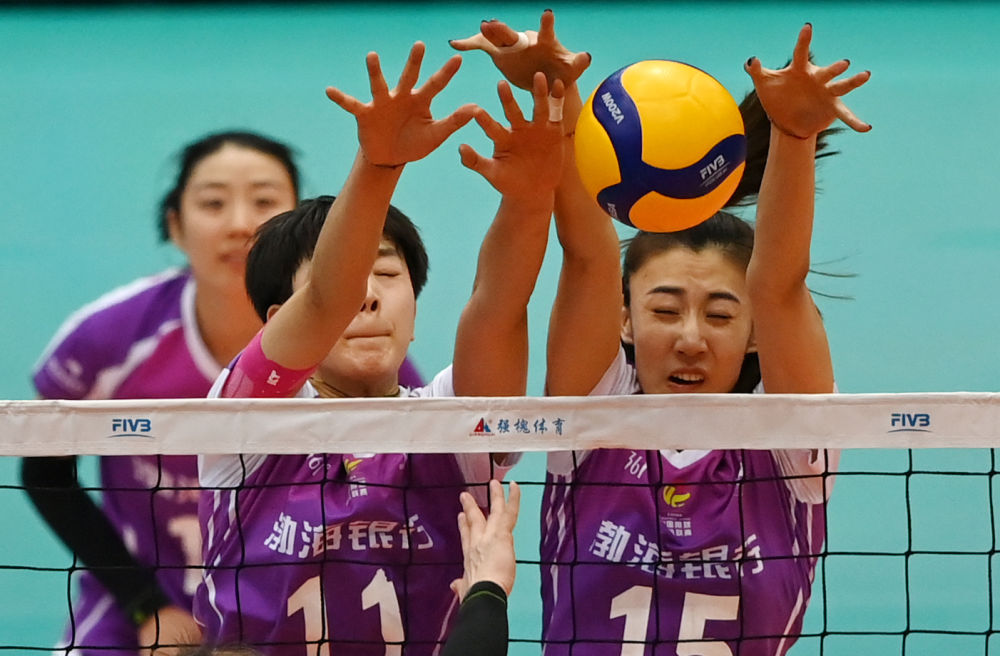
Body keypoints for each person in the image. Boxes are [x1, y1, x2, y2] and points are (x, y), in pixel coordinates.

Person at [453, 15, 870, 655]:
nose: (691, 339)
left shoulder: (789, 452)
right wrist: (559, 99)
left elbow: (780, 287)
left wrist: (794, 135)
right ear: (625, 318)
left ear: (755, 334)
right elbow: (588, 257)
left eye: (721, 316)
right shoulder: (595, 418)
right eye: (666, 310)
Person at [193, 42, 563, 655]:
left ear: (415, 312)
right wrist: (380, 162)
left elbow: (498, 307)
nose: (367, 298)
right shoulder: (247, 421)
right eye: (350, 278)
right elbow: (327, 302)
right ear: (280, 322)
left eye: (388, 275)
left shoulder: (453, 431)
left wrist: (530, 198)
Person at [22, 131, 300, 656]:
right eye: (213, 203)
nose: (240, 223)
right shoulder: (111, 338)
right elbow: (43, 473)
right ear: (175, 225)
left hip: (292, 605)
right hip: (139, 604)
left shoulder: (349, 339)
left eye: (265, 201)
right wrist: (145, 606)